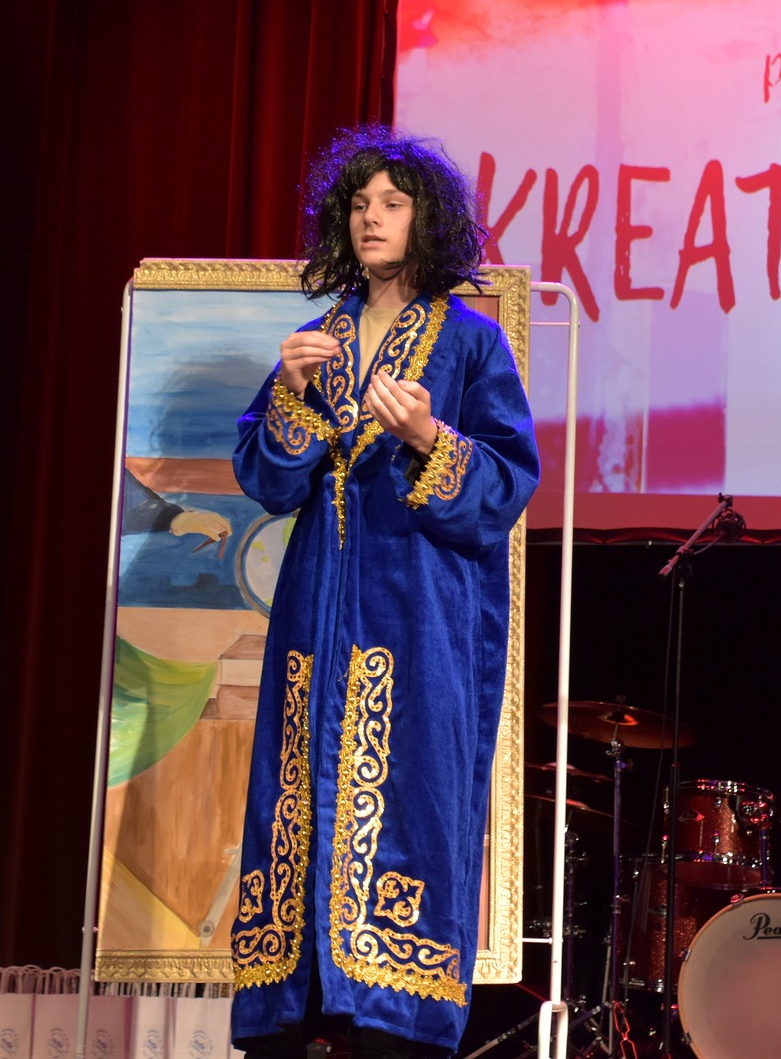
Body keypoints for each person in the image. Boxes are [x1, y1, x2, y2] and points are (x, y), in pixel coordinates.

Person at [229, 126, 539, 1058]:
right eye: (360, 204)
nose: (372, 218)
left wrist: (430, 440)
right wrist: (288, 400)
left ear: (426, 219)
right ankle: (294, 1001)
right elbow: (267, 481)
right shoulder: (317, 342)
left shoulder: (471, 342)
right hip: (313, 612)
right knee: (294, 795)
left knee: (409, 794)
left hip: (419, 618)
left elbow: (507, 486)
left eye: (392, 204)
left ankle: (394, 1009)